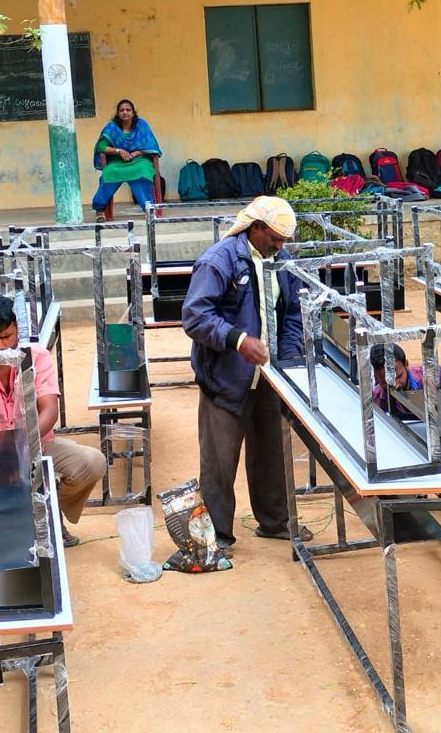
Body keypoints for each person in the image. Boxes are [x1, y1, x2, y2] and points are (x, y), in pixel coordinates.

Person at [182, 196, 312, 558]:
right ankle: (218, 535)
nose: (280, 245)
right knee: (220, 461)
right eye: (275, 237)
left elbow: (292, 313)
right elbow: (194, 317)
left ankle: (275, 521)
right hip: (225, 378)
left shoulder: (280, 261)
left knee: (271, 451)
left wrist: (287, 360)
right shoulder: (218, 262)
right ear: (255, 228)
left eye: (284, 240)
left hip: (268, 376)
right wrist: (238, 340)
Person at [0, 294, 105, 547]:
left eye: (7, 336)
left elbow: (49, 409)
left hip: (37, 443)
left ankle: (47, 512)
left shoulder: (35, 356)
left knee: (92, 463)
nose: (1, 346)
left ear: (16, 329)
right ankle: (9, 520)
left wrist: (22, 446)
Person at [370, 343, 441, 420]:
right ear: (376, 377)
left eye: (398, 376)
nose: (395, 384)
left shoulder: (435, 376)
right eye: (386, 382)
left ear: (406, 364)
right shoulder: (377, 400)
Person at [91, 99, 162, 220]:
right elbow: (101, 146)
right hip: (118, 161)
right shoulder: (112, 127)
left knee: (142, 171)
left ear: (133, 112)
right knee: (109, 172)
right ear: (118, 113)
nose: (125, 112)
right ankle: (100, 210)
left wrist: (136, 153)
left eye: (128, 110)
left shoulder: (141, 125)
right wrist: (119, 151)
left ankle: (148, 208)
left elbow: (152, 146)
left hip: (139, 160)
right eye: (121, 110)